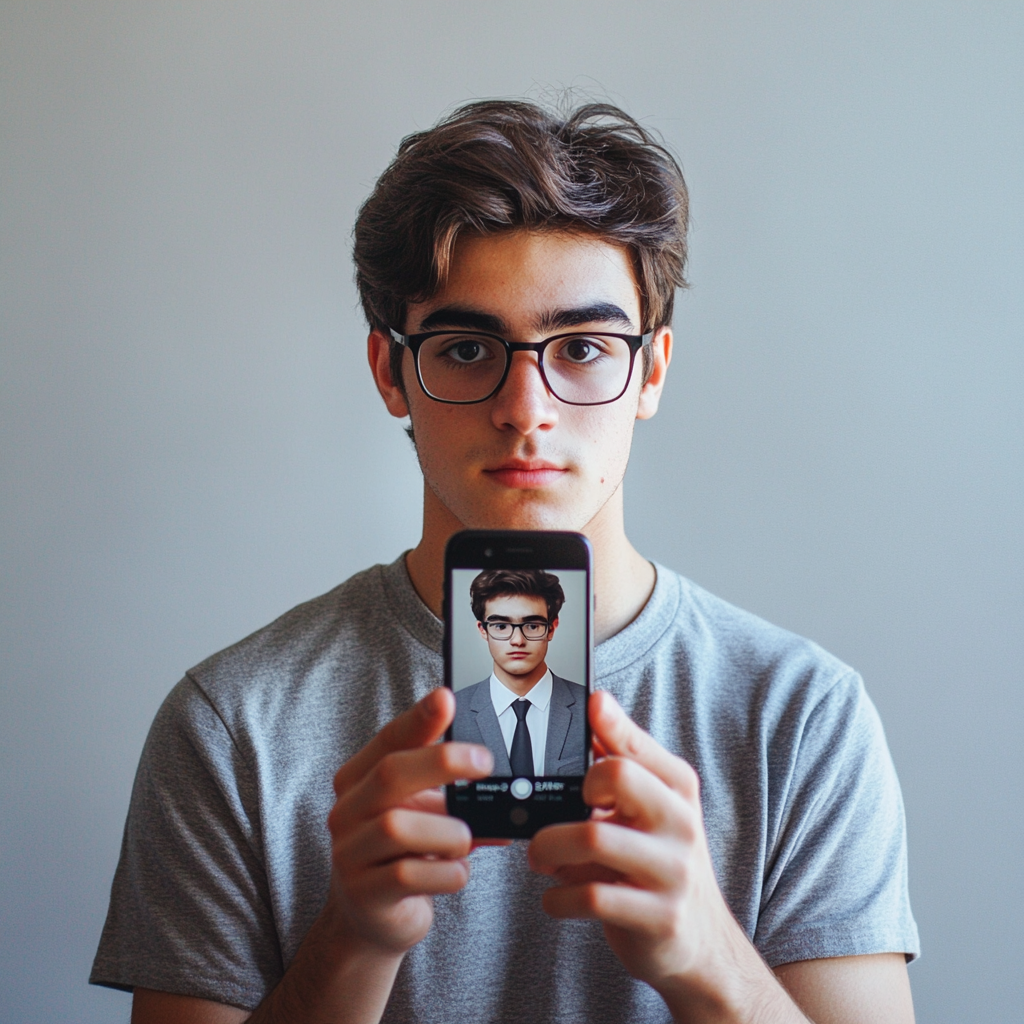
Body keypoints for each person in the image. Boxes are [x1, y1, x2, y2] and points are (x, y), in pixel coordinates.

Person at [91, 99, 919, 1024]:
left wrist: (706, 956)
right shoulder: (234, 724)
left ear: (650, 372)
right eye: (468, 348)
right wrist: (354, 941)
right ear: (389, 370)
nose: (527, 407)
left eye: (583, 349)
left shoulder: (799, 718)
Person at [452, 568, 586, 777]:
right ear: (483, 630)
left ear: (551, 628)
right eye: (501, 626)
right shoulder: (452, 712)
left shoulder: (590, 706)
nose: (517, 640)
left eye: (532, 625)